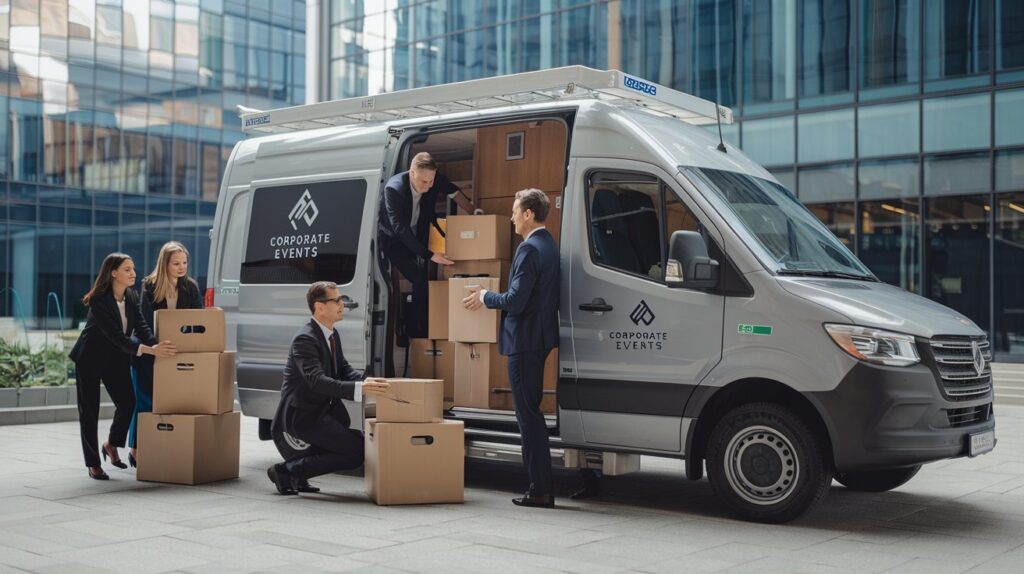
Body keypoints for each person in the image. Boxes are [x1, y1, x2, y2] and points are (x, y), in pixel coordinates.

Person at [462, 189, 559, 508]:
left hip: (525, 341)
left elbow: (516, 301)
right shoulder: (548, 245)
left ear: (529, 214)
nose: (512, 217)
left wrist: (486, 297)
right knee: (532, 413)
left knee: (527, 417)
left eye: (516, 211)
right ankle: (541, 485)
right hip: (540, 338)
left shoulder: (528, 249)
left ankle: (540, 490)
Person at [267, 281, 391, 495]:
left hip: (321, 412)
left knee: (355, 445)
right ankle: (287, 471)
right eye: (336, 300)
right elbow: (316, 380)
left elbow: (343, 369)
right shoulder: (305, 339)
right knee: (356, 451)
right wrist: (359, 388)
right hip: (302, 415)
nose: (342, 304)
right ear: (320, 307)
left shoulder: (331, 334)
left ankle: (298, 474)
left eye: (341, 299)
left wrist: (369, 382)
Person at [69, 253, 176, 480]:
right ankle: (93, 463)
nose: (133, 274)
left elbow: (141, 325)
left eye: (133, 269)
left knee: (128, 402)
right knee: (89, 411)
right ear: (113, 272)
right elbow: (117, 336)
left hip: (116, 358)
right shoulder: (99, 300)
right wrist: (149, 350)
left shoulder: (131, 295)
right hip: (90, 358)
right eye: (127, 269)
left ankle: (112, 444)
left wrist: (156, 344)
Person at [378, 152, 476, 339]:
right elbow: (400, 229)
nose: (429, 185)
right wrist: (428, 254)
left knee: (428, 277)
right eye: (424, 182)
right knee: (418, 278)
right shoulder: (394, 189)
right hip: (394, 238)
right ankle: (417, 333)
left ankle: (432, 324)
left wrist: (474, 211)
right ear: (412, 173)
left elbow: (453, 192)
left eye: (431, 181)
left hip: (420, 229)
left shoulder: (432, 178)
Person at [127, 241, 204, 466]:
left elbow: (198, 319)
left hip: (175, 352)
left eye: (185, 263)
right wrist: (156, 346)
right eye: (176, 263)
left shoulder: (190, 286)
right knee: (144, 403)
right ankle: (136, 449)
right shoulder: (149, 286)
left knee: (169, 403)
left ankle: (161, 446)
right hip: (149, 351)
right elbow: (143, 323)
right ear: (165, 264)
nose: (182, 267)